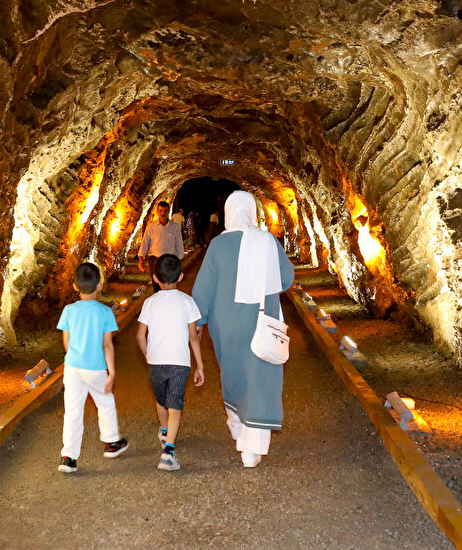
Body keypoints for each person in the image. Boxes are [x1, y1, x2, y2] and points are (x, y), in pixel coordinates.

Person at [192, 191, 294, 468]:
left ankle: (237, 425)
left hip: (226, 324)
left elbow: (203, 288)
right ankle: (252, 447)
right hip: (261, 321)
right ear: (252, 211)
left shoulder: (217, 245)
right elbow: (286, 279)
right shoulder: (267, 241)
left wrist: (199, 321)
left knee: (233, 373)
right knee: (260, 379)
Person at [56, 262, 128, 473]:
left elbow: (66, 341)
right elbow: (107, 344)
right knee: (105, 402)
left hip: (73, 367)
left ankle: (68, 457)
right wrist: (111, 371)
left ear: (75, 286)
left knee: (73, 411)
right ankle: (111, 442)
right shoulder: (105, 312)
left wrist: (74, 357)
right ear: (99, 285)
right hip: (95, 367)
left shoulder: (69, 310)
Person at [135, 253, 204, 471]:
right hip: (179, 362)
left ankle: (165, 432)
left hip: (156, 360)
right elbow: (193, 336)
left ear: (155, 278)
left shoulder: (149, 302)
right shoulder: (188, 302)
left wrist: (148, 356)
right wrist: (200, 365)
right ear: (181, 276)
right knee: (175, 404)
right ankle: (168, 453)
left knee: (160, 399)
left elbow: (139, 335)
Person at [138, 200, 184, 291]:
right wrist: (140, 259)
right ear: (157, 211)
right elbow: (145, 243)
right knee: (157, 286)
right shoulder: (151, 227)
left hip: (170, 260)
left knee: (170, 285)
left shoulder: (175, 226)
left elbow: (179, 243)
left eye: (165, 210)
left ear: (168, 211)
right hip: (155, 260)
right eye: (161, 210)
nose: (163, 213)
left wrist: (180, 260)